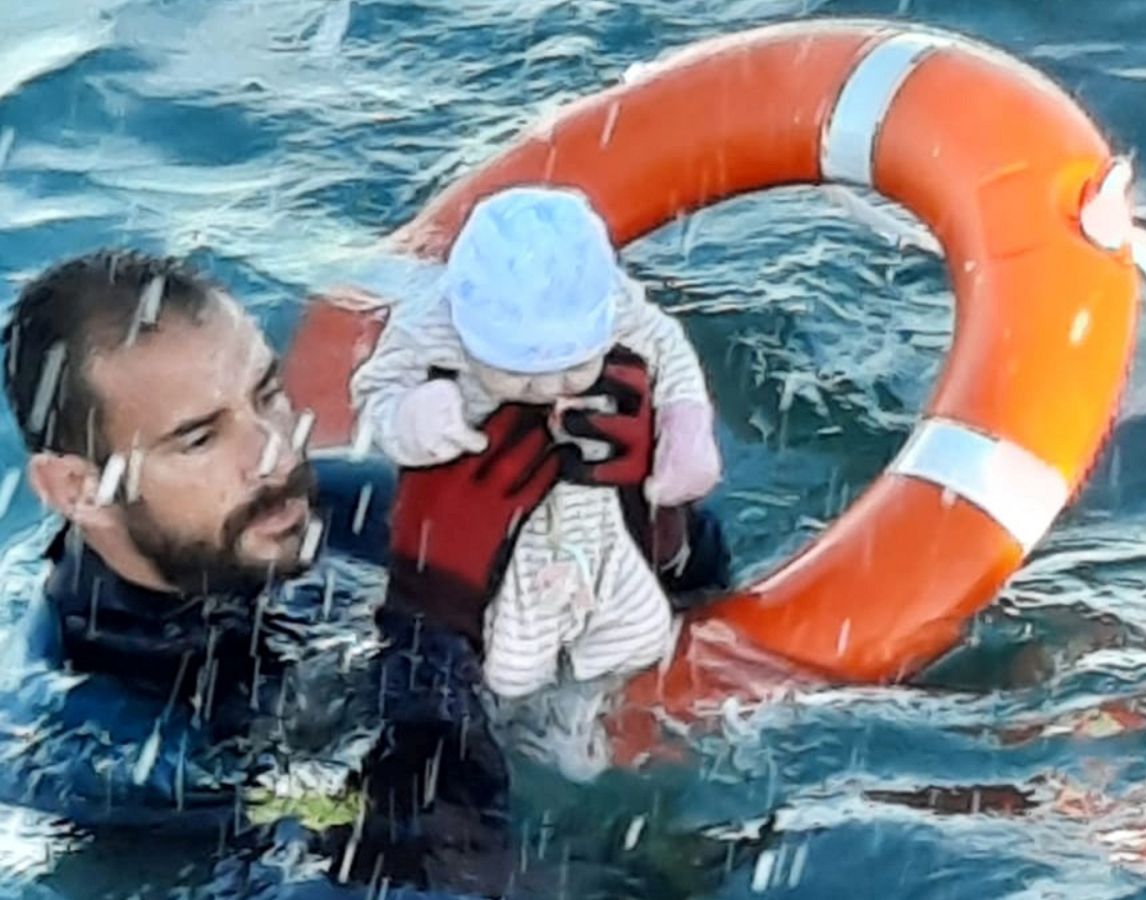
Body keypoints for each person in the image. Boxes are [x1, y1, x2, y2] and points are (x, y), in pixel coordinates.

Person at [0, 249, 749, 899]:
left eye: (266, 394)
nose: (274, 455)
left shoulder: (344, 510)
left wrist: (647, 519)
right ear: (76, 489)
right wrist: (436, 612)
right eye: (198, 439)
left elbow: (687, 616)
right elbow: (426, 869)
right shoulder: (93, 745)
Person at [350, 186, 723, 780]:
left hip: (598, 517)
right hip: (469, 551)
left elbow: (672, 360)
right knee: (435, 690)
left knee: (641, 605)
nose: (553, 389)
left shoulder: (620, 309)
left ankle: (595, 704)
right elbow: (378, 387)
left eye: (574, 367)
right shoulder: (432, 324)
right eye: (522, 375)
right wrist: (413, 414)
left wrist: (686, 434)